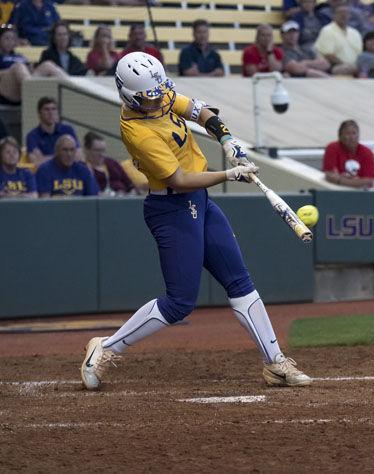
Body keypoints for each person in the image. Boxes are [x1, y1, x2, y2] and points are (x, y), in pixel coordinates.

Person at [80, 51, 311, 390]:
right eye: (152, 96)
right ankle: (106, 347)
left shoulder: (157, 93)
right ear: (131, 96)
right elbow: (179, 179)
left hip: (199, 202)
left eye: (161, 91)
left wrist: (227, 138)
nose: (160, 99)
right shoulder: (137, 132)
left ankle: (274, 363)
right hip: (171, 209)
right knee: (179, 302)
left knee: (239, 281)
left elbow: (199, 111)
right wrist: (229, 174)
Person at [0, 24, 66, 104]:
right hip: (5, 87)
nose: (10, 42)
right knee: (18, 66)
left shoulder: (20, 56)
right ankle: (34, 95)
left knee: (48, 65)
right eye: (7, 38)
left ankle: (73, 89)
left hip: (23, 85)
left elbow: (30, 71)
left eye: (13, 39)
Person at [26, 97, 83, 167]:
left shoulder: (68, 130)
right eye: (46, 109)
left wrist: (46, 158)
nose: (51, 113)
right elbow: (36, 162)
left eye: (53, 109)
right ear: (39, 113)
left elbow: (78, 156)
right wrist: (65, 156)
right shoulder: (32, 136)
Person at [323, 119, 374, 188]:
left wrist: (340, 180)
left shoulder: (367, 152)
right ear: (340, 136)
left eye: (354, 133)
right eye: (348, 133)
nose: (351, 137)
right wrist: (357, 181)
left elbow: (368, 180)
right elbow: (330, 175)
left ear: (358, 135)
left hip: (362, 193)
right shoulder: (332, 148)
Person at [314, 2, 363, 76]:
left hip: (354, 67)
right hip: (334, 67)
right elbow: (328, 55)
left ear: (349, 16)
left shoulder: (355, 33)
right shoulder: (327, 30)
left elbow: (359, 54)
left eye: (346, 13)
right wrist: (345, 65)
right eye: (340, 13)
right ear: (333, 15)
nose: (343, 15)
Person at [84, 131, 136, 196]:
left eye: (103, 150)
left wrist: (131, 194)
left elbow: (130, 185)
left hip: (123, 198)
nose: (101, 154)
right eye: (97, 150)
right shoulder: (83, 168)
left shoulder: (112, 163)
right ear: (87, 150)